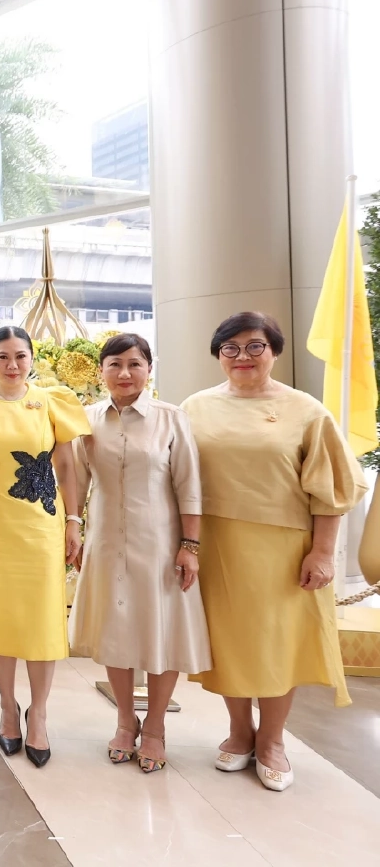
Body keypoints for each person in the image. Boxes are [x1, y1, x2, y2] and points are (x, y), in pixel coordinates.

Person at [182, 312, 364, 792]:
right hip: (217, 544)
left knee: (277, 645)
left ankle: (273, 740)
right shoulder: (195, 407)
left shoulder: (306, 411)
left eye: (254, 346)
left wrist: (322, 552)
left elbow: (331, 490)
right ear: (218, 355)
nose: (242, 356)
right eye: (231, 348)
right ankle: (240, 732)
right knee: (228, 644)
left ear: (275, 351)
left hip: (283, 547)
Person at [0, 325, 89, 769]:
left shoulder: (52, 401)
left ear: (32, 359)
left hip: (43, 524)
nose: (13, 365)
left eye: (20, 356)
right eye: (3, 357)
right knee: (2, 617)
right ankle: (8, 708)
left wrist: (73, 520)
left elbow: (67, 466)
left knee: (44, 619)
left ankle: (39, 713)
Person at [68, 333, 211, 774]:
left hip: (160, 543)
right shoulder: (86, 420)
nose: (124, 373)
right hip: (106, 542)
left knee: (160, 632)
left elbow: (189, 486)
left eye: (134, 363)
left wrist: (190, 546)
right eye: (114, 364)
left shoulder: (171, 418)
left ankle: (155, 727)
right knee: (116, 632)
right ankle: (125, 721)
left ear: (149, 368)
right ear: (101, 372)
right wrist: (75, 529)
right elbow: (76, 483)